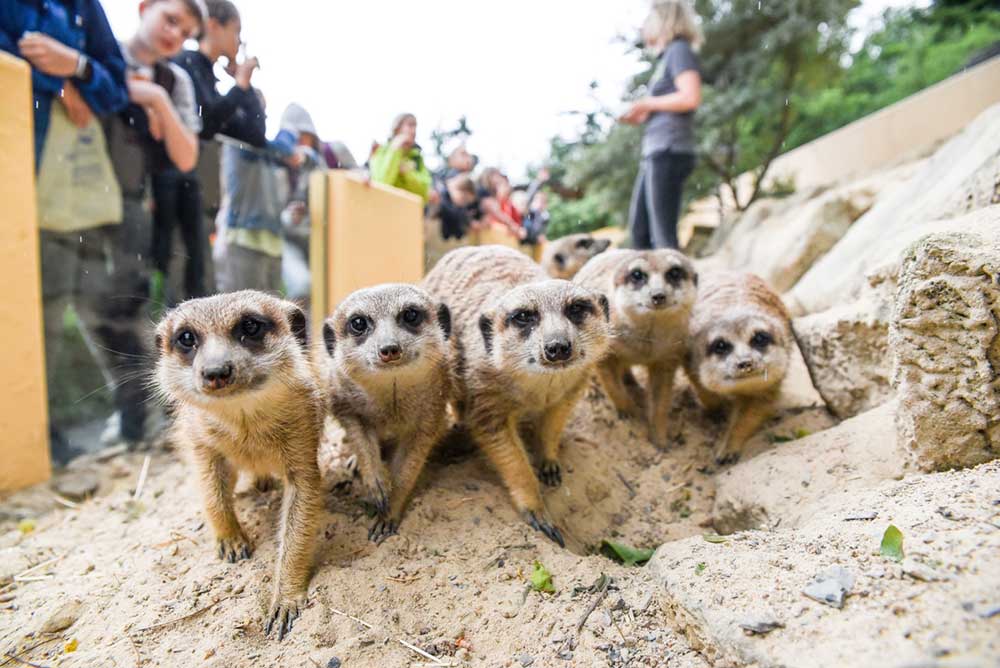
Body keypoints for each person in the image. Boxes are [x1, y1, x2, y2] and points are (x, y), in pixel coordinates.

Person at [1, 0, 130, 462]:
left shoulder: (83, 7)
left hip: (81, 194)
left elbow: (117, 87)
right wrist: (60, 83)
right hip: (23, 184)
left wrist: (76, 66)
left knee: (94, 311)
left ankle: (123, 417)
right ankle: (37, 438)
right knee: (38, 318)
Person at [99, 0, 204, 447]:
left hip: (147, 208)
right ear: (144, 8)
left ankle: (143, 419)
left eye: (184, 33)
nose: (174, 35)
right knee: (104, 312)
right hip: (93, 192)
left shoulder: (173, 80)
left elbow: (186, 155)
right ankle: (130, 416)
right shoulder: (102, 52)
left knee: (132, 306)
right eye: (171, 20)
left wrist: (155, 99)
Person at [157, 0, 265, 303]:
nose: (238, 41)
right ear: (214, 26)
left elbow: (255, 135)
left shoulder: (212, 79)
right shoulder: (184, 62)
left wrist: (242, 86)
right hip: (168, 192)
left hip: (194, 195)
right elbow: (203, 122)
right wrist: (240, 86)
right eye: (236, 31)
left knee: (197, 283)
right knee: (177, 286)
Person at [620, 0, 703, 250]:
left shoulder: (679, 50)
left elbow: (690, 97)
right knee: (641, 233)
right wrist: (641, 113)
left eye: (648, 20)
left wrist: (647, 103)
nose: (644, 27)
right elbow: (667, 102)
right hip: (657, 150)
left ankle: (678, 287)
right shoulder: (667, 57)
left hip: (669, 149)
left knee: (662, 237)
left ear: (663, 20)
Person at [216, 90, 298, 294]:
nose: (261, 118)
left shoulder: (269, 153)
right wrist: (289, 130)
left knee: (271, 316)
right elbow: (285, 148)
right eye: (257, 110)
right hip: (241, 238)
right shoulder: (237, 141)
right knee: (239, 314)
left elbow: (302, 157)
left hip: (271, 241)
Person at [279, 103, 324, 303]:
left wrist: (307, 156)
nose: (301, 142)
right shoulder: (275, 164)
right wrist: (289, 216)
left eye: (305, 136)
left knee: (327, 292)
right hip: (288, 239)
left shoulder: (318, 163)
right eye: (295, 137)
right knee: (301, 286)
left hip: (318, 238)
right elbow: (274, 212)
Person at [369, 113, 432, 202]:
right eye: (410, 125)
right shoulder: (381, 151)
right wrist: (395, 150)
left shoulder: (417, 158)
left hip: (409, 211)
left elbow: (424, 194)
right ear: (397, 128)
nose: (414, 131)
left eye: (415, 126)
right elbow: (381, 184)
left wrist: (407, 174)